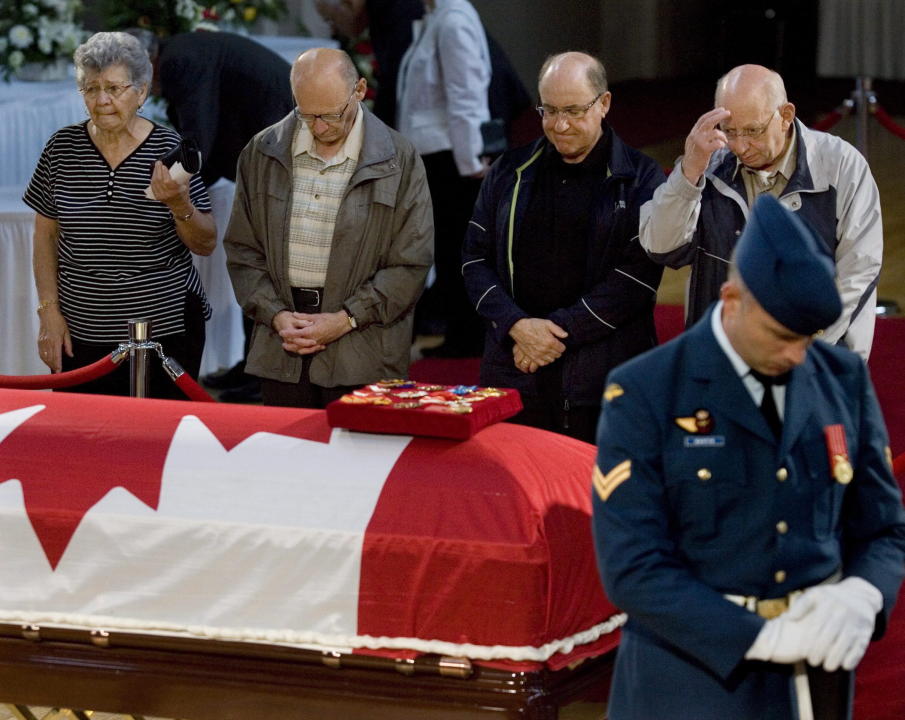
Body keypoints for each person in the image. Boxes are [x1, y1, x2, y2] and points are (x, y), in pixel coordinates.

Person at [593, 195, 905, 719]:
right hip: (691, 682)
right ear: (733, 300)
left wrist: (863, 593)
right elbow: (633, 567)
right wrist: (762, 637)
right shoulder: (646, 391)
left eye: (807, 338)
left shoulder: (840, 379)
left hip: (814, 681)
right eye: (783, 337)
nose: (799, 355)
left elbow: (883, 529)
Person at [462, 52, 665, 443]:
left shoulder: (641, 177)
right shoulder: (509, 170)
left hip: (601, 380)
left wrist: (553, 335)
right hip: (513, 370)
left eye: (573, 110)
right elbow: (474, 259)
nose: (559, 125)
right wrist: (517, 326)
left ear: (604, 104)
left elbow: (636, 278)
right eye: (549, 110)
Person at [224, 47, 433, 409]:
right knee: (287, 460)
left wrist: (346, 318)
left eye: (331, 115)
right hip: (282, 350)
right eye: (307, 116)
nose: (319, 127)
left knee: (362, 463)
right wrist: (276, 315)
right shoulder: (263, 152)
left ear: (360, 90)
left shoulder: (399, 159)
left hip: (365, 352)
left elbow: (411, 263)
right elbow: (243, 251)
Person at [640, 64, 882, 360]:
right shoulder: (707, 167)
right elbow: (660, 246)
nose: (741, 146)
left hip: (816, 357)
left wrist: (798, 345)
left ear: (785, 115)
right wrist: (687, 175)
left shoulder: (842, 166)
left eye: (753, 131)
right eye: (729, 130)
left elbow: (858, 272)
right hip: (722, 362)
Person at [24, 31, 216, 399]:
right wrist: (49, 312)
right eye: (91, 89)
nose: (102, 100)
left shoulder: (168, 148)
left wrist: (179, 205)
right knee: (83, 443)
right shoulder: (61, 148)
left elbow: (206, 242)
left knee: (157, 441)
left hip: (165, 332)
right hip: (80, 332)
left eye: (114, 88)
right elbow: (45, 236)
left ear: (141, 92)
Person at [131, 28, 297, 402]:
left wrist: (149, 192)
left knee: (267, 264)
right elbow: (213, 145)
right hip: (267, 151)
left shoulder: (179, 59)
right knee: (257, 259)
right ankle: (255, 364)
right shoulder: (184, 50)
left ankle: (266, 375)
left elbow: (198, 143)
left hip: (283, 152)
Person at [397, 0, 491, 356]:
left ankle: (468, 336)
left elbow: (466, 94)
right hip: (436, 155)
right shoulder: (437, 16)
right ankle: (459, 333)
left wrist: (470, 162)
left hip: (453, 158)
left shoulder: (453, 20)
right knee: (447, 250)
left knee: (458, 250)